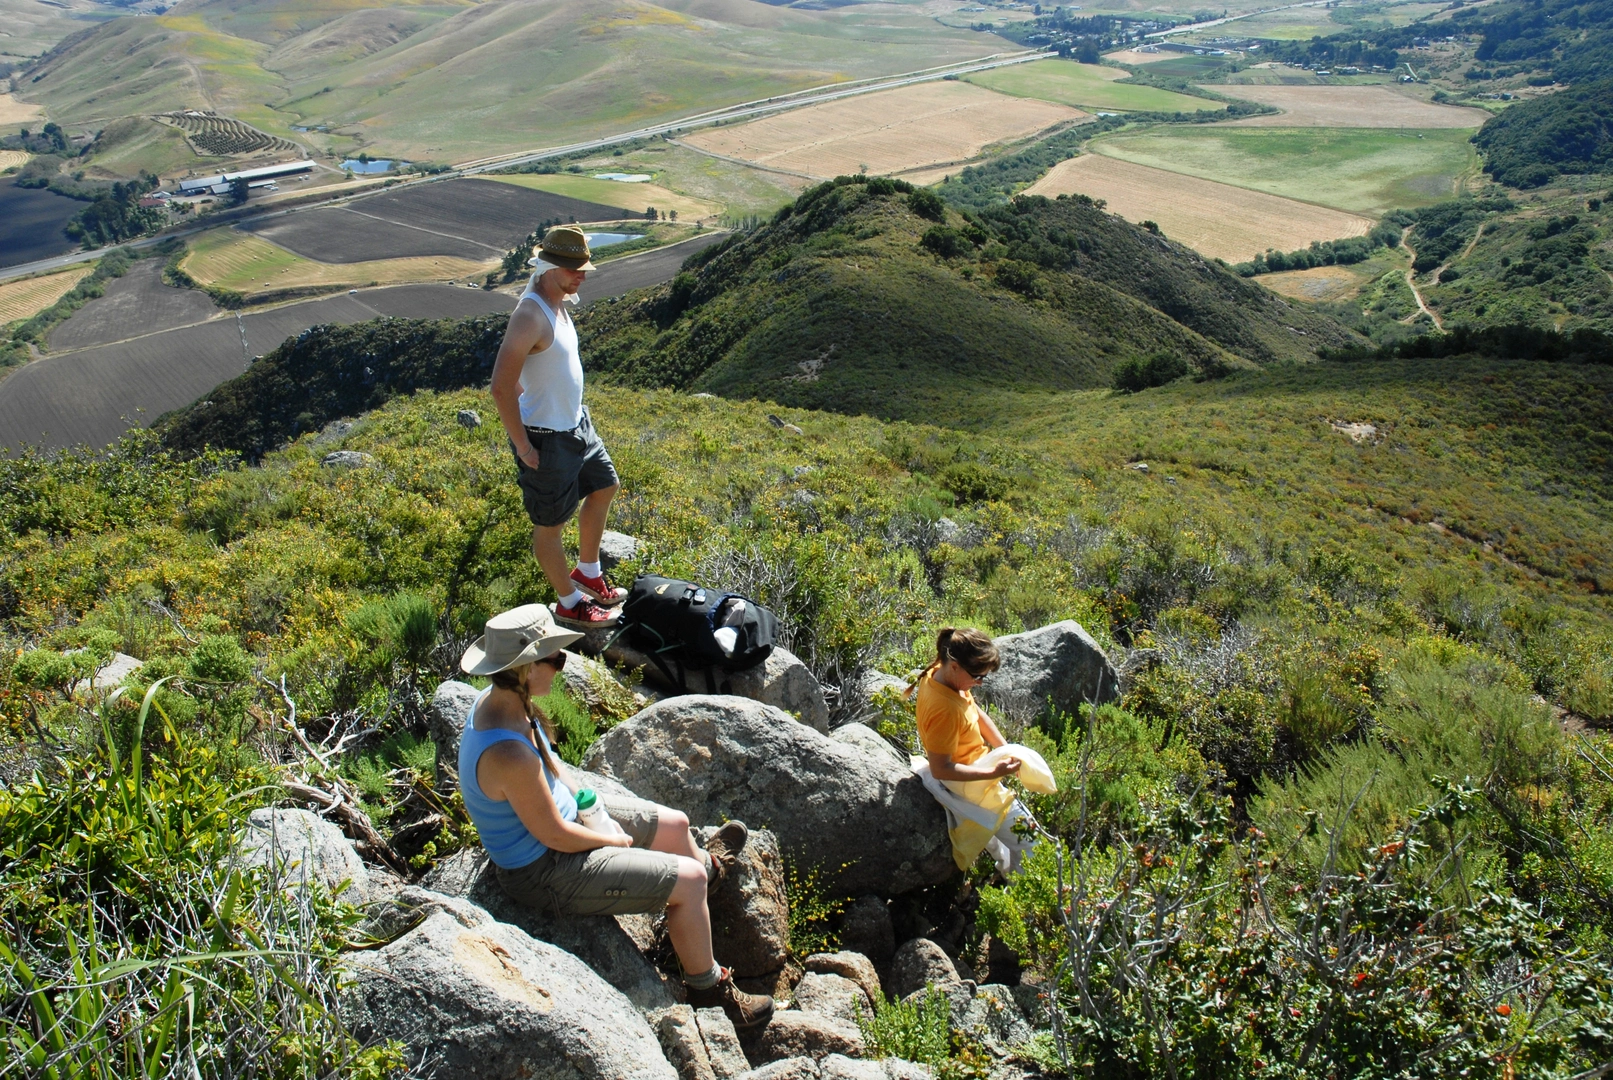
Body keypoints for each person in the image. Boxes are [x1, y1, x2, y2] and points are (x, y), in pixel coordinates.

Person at [457, 604, 774, 1029]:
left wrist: (590, 804)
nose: (560, 665)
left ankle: (701, 890)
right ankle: (710, 991)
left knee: (677, 824)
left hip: (564, 828)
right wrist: (610, 840)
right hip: (542, 868)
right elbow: (553, 835)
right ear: (526, 669)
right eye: (554, 658)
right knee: (688, 881)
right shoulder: (506, 754)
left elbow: (550, 769)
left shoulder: (502, 700)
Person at [490, 225, 625, 630]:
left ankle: (587, 570)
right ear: (547, 267)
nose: (581, 275)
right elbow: (500, 386)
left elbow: (520, 377)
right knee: (549, 527)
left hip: (576, 426)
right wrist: (524, 446)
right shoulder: (531, 313)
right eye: (572, 268)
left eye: (583, 267)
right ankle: (568, 603)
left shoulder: (559, 302)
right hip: (547, 440)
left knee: (606, 486)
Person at [911, 627, 1033, 876]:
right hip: (970, 786)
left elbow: (975, 712)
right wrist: (992, 772)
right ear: (955, 666)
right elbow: (940, 768)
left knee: (1001, 837)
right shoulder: (944, 709)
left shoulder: (941, 675)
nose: (979, 683)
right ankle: (1022, 895)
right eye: (977, 676)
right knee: (1032, 844)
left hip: (978, 771)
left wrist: (1005, 749)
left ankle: (1005, 873)